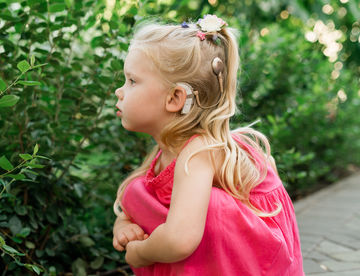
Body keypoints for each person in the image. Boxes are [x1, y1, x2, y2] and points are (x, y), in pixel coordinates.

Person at [112, 14, 304, 275]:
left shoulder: (198, 152)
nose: (119, 91)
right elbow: (134, 203)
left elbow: (180, 240)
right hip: (217, 249)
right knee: (136, 190)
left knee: (210, 206)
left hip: (252, 257)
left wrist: (140, 253)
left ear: (175, 98)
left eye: (132, 81)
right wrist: (123, 226)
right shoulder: (168, 149)